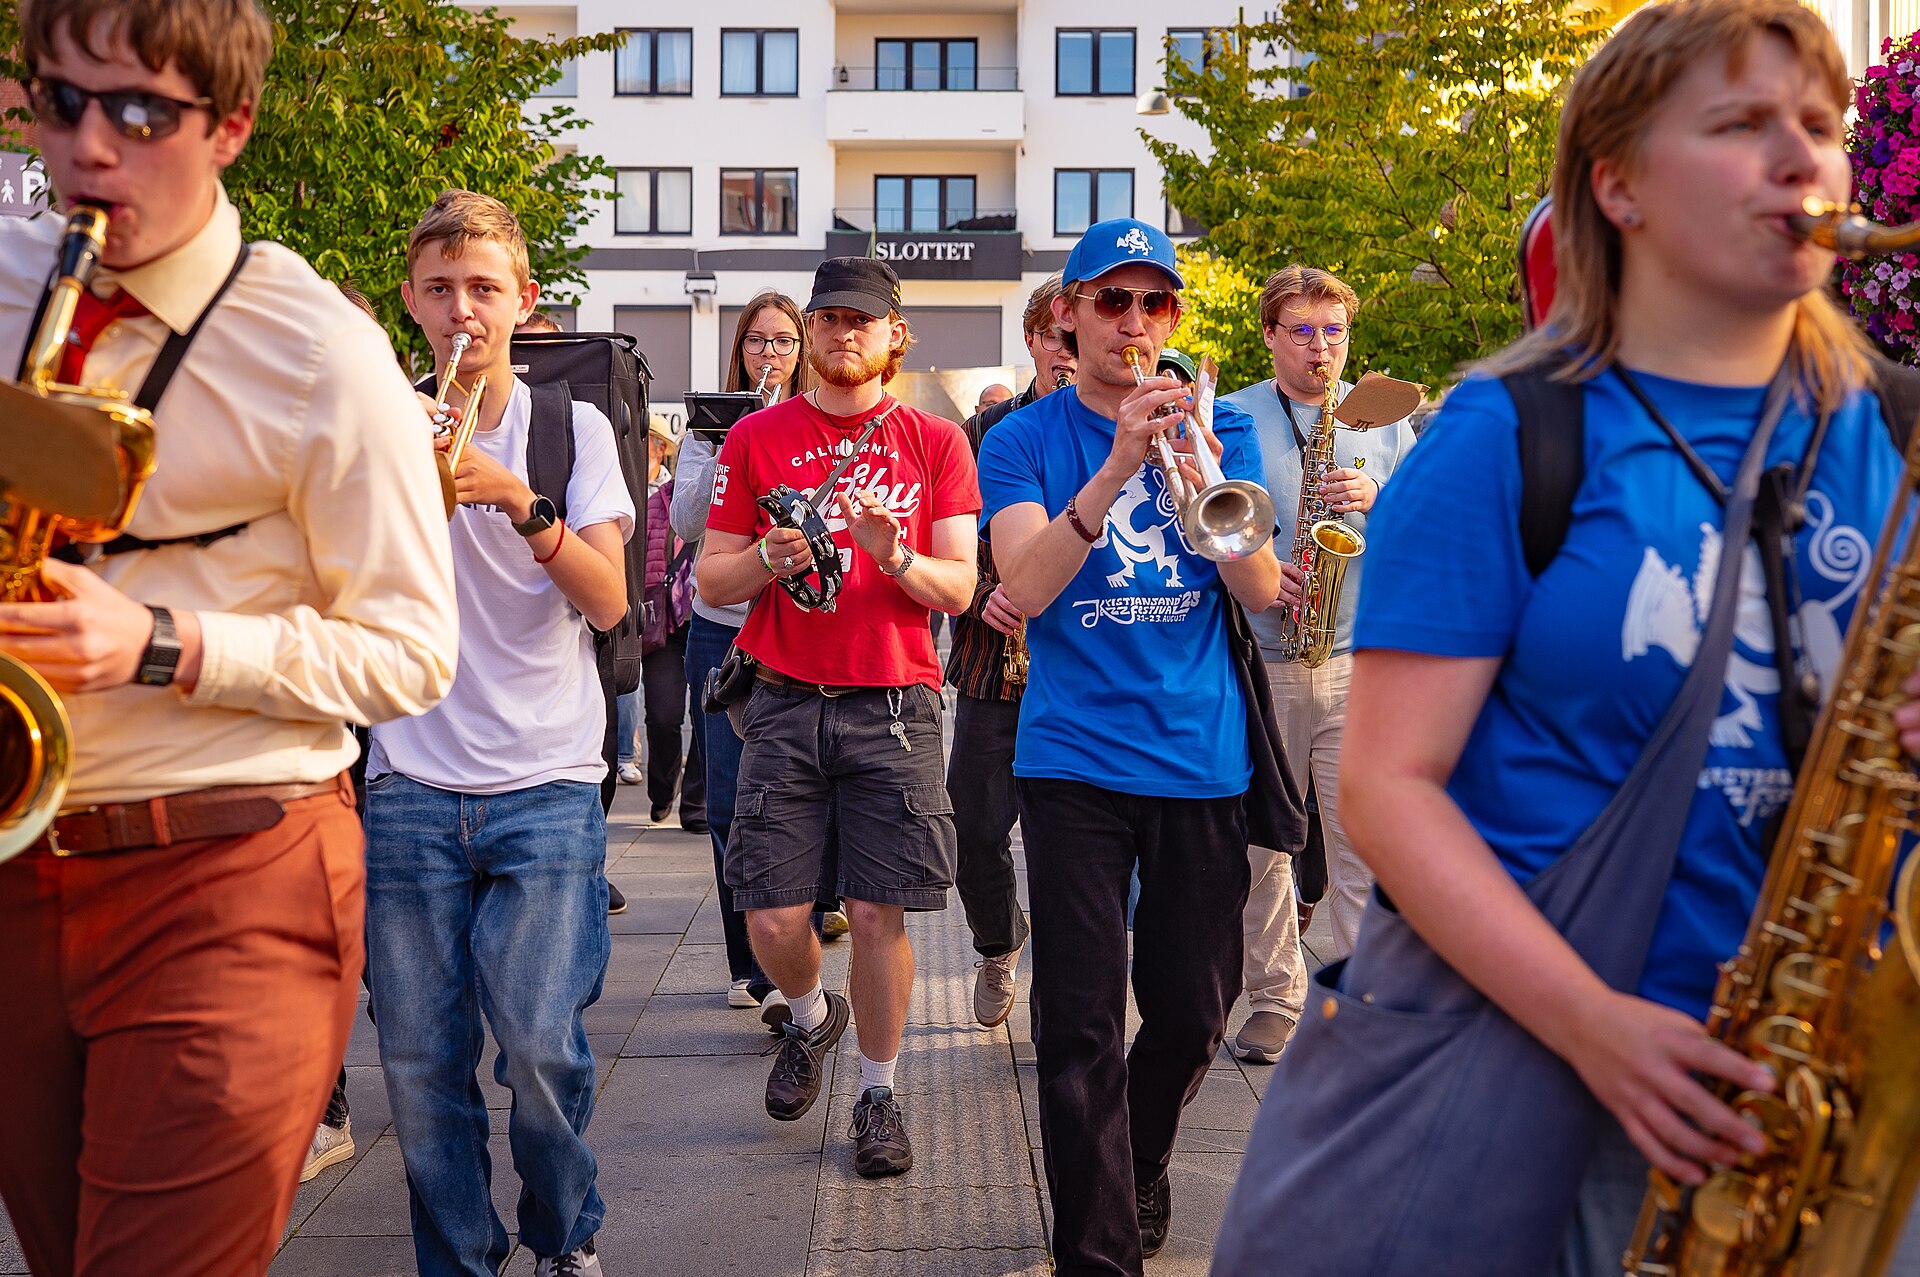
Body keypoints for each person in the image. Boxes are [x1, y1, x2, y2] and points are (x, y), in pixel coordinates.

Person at [1214, 4, 1920, 1274]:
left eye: (1820, 125)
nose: (1800, 158)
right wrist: (1596, 1024)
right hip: (1565, 1069)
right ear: (1617, 183)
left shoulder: (1896, 431)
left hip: (1847, 1076)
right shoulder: (1506, 433)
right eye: (1741, 123)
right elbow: (1387, 789)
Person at [0, 2, 460, 1272]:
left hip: (226, 868)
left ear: (232, 126)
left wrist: (161, 641)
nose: (90, 147)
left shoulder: (323, 352)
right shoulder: (6, 279)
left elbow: (413, 650)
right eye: (59, 102)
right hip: (23, 865)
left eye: (140, 112)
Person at [977, 218, 1284, 1274]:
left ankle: (1139, 1154)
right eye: (1113, 299)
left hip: (1201, 756)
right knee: (1079, 1024)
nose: (1135, 322)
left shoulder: (1218, 426)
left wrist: (1199, 464)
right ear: (1069, 314)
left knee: (1196, 1011)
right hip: (1072, 761)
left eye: (1156, 302)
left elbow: (1260, 587)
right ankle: (1097, 1251)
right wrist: (1115, 466)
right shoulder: (1022, 439)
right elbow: (1024, 587)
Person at [365, 189, 634, 1277]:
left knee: (538, 1043)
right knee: (419, 1062)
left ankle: (563, 1234)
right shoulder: (380, 423)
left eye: (483, 288)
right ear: (411, 301)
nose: (462, 311)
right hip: (409, 776)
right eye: (441, 290)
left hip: (546, 776)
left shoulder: (575, 428)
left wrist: (523, 505)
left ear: (525, 299)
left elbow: (610, 602)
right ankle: (460, 1258)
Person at [697, 256, 980, 1177]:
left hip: (894, 704)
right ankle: (813, 1016)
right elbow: (711, 578)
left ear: (895, 336)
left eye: (861, 320)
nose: (842, 333)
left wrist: (896, 558)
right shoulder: (757, 437)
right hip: (783, 699)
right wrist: (767, 560)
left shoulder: (936, 442)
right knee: (772, 916)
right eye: (828, 319)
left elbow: (961, 585)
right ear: (809, 331)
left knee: (874, 912)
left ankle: (878, 1092)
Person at [1217, 265, 1417, 1065]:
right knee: (1262, 848)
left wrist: (1380, 499)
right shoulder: (1234, 416)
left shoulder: (1386, 421)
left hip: (1356, 660)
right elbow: (1213, 526)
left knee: (1362, 843)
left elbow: (1429, 532)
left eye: (1333, 331)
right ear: (1270, 335)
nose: (1320, 347)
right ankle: (1274, 998)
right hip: (1264, 659)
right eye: (1301, 330)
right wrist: (1265, 568)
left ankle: (1364, 999)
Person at [673, 291, 845, 1020]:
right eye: (755, 342)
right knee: (726, 800)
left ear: (801, 352)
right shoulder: (709, 426)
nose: (768, 355)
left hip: (798, 625)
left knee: (809, 787)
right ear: (737, 351)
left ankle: (804, 924)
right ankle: (751, 963)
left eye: (782, 342)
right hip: (722, 627)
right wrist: (730, 445)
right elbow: (687, 522)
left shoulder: (814, 425)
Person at [944, 274, 1075, 1028]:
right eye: (1056, 337)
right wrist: (983, 591)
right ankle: (999, 941)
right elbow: (942, 536)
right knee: (973, 830)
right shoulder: (982, 430)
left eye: (1076, 338)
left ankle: (1066, 993)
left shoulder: (1116, 427)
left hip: (1080, 667)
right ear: (1033, 340)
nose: (1068, 352)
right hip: (994, 665)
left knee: (1073, 845)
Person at [618, 414, 703, 837]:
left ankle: (696, 805)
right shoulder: (654, 505)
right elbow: (637, 561)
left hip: (707, 619)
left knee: (706, 715)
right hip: (663, 628)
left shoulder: (727, 499)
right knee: (664, 716)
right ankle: (663, 789)